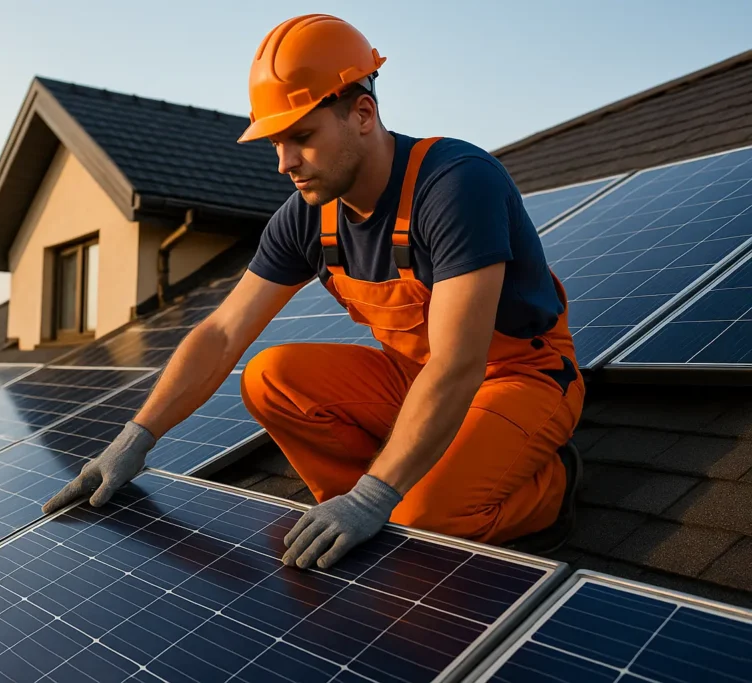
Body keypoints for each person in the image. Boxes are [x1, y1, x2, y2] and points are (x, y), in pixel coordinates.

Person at [42, 13, 585, 570]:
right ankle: (365, 497)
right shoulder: (306, 217)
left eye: (301, 137)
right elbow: (223, 332)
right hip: (417, 379)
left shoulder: (455, 184)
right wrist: (136, 438)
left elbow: (457, 365)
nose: (285, 163)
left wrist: (378, 498)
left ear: (363, 114)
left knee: (422, 520)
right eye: (276, 141)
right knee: (269, 377)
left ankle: (545, 491)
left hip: (519, 379)